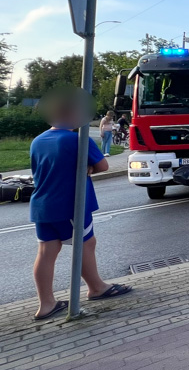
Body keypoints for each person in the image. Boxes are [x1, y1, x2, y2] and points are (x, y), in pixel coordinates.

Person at [30, 99, 131, 321]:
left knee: (46, 253)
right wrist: (91, 166)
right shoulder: (77, 140)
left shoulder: (37, 141)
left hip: (42, 205)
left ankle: (46, 305)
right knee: (86, 244)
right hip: (70, 204)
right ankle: (96, 287)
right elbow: (104, 165)